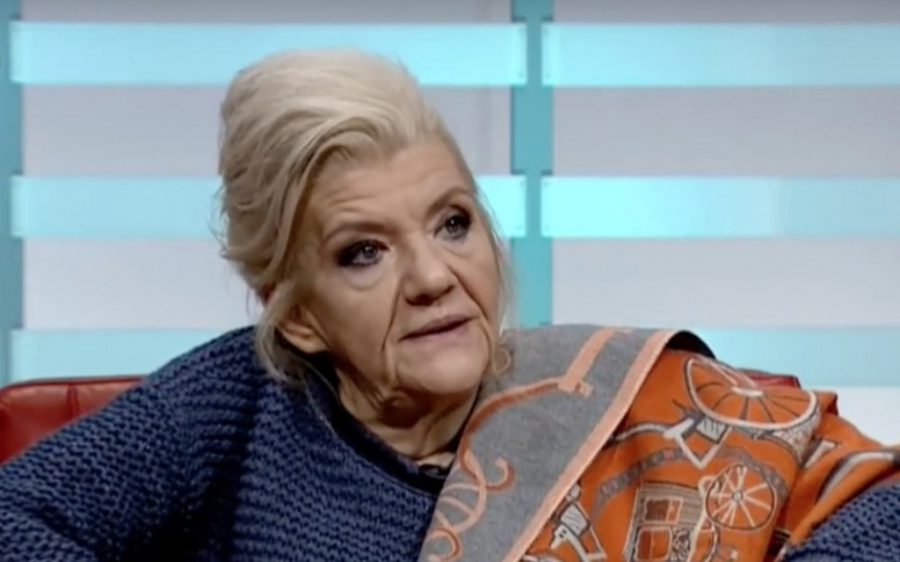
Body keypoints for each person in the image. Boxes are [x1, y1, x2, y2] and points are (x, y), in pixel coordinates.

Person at [0, 49, 898, 562]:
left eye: (453, 222)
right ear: (296, 313)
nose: (433, 276)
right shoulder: (241, 400)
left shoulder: (611, 398)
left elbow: (879, 507)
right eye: (364, 252)